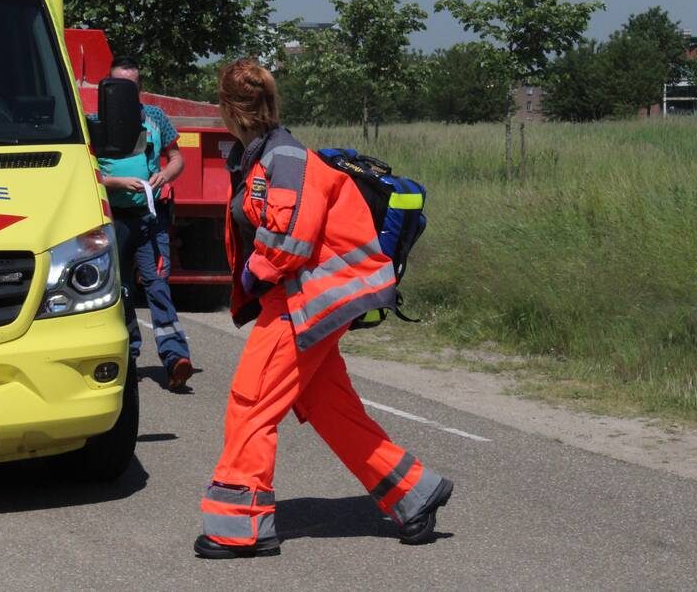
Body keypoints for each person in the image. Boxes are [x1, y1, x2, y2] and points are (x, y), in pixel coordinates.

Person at [194, 59, 453, 559]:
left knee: (251, 402)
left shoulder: (283, 158)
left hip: (302, 303)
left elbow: (288, 240)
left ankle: (239, 527)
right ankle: (413, 492)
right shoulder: (267, 154)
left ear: (228, 108)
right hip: (305, 300)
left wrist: (252, 274)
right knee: (329, 407)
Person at [98, 56, 195, 391]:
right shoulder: (94, 124)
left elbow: (177, 158)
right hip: (112, 222)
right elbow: (87, 171)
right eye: (119, 86)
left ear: (140, 88)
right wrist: (115, 184)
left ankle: (176, 358)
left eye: (132, 86)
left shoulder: (155, 119)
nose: (126, 92)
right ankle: (128, 356)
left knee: (157, 286)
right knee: (119, 291)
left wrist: (163, 175)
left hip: (150, 219)